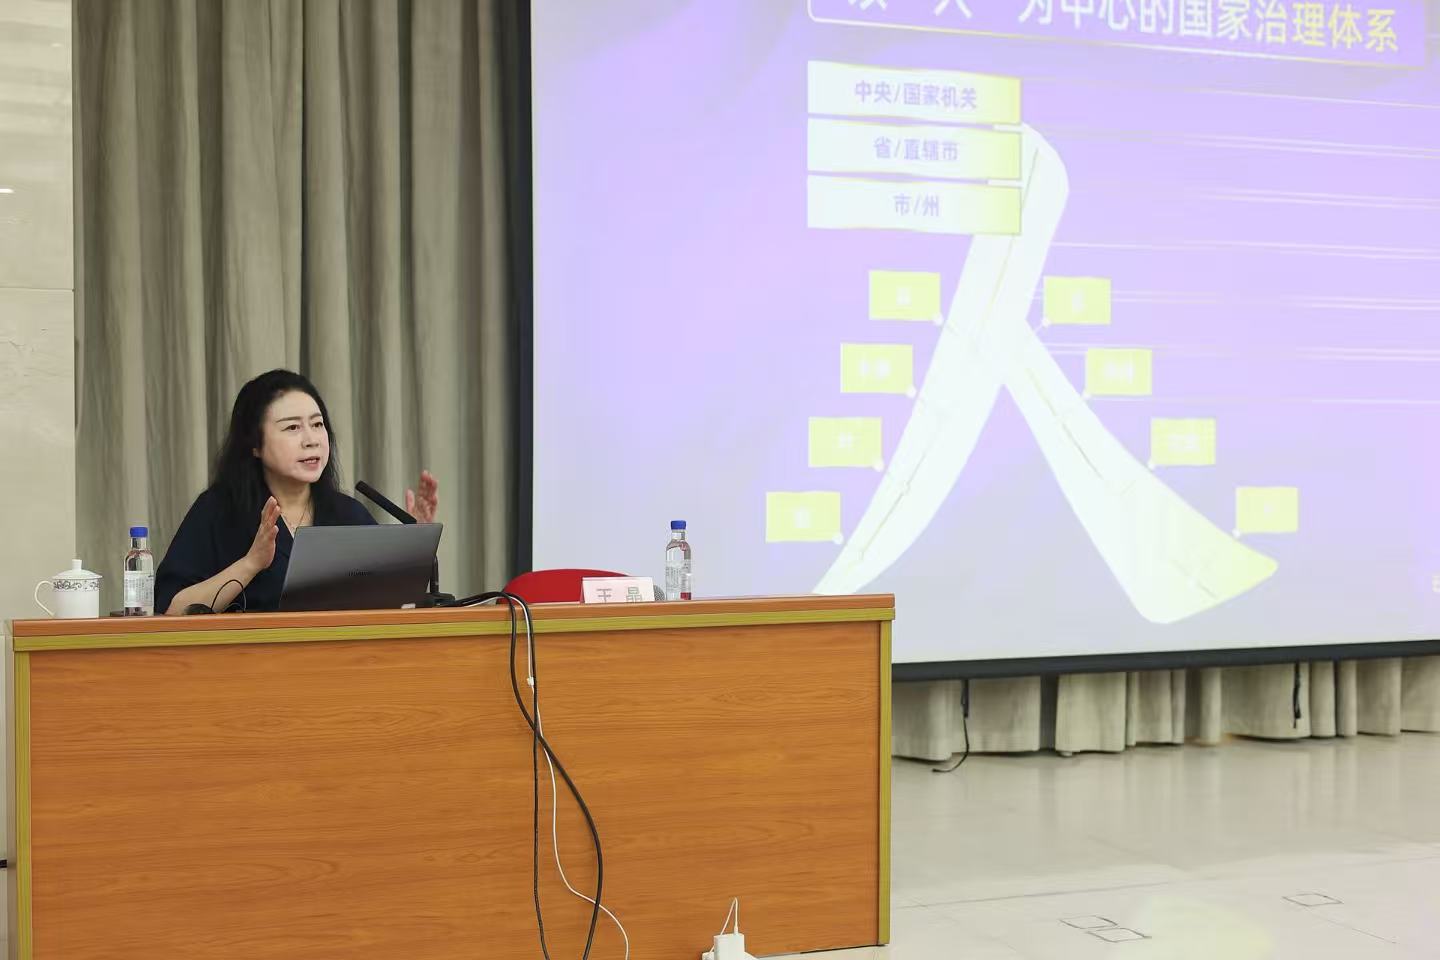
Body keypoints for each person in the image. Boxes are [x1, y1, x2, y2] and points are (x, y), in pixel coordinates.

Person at [156, 369, 439, 615]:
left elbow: (392, 605)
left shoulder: (347, 513)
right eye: (292, 427)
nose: (311, 440)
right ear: (254, 444)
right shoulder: (218, 511)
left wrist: (413, 549)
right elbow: (172, 608)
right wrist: (251, 563)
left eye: (317, 425)